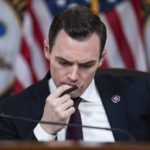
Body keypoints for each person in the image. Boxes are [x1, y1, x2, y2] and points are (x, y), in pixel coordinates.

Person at [0, 6, 150, 142]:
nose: (73, 76)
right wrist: (45, 130)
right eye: (64, 62)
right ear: (47, 50)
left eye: (86, 65)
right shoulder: (10, 112)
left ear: (101, 59)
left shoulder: (142, 93)